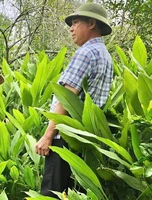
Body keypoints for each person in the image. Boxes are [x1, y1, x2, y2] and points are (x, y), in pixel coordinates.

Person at [35, 2, 113, 198]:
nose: (70, 28)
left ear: (92, 23)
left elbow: (67, 98)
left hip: (65, 138)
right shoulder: (105, 56)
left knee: (51, 194)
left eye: (75, 22)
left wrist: (47, 136)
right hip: (86, 140)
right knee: (73, 194)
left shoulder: (86, 53)